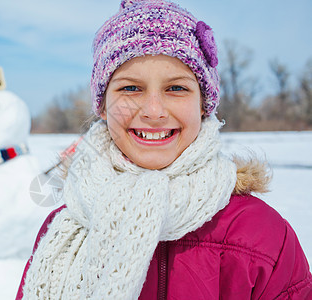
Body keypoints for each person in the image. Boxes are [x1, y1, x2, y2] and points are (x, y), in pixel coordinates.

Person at [17, 0, 312, 299]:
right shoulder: (63, 231)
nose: (154, 111)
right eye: (131, 88)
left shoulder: (262, 235)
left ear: (203, 105)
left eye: (176, 88)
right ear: (103, 107)